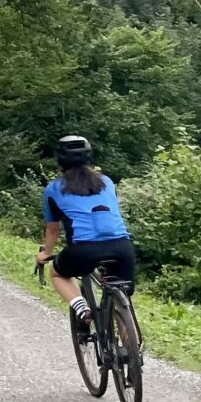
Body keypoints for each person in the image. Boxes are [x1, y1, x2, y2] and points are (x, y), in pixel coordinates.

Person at [35, 135, 136, 336]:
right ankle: (132, 350)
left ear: (59, 160)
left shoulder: (54, 189)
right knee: (122, 298)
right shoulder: (106, 182)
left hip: (83, 250)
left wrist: (45, 253)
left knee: (58, 273)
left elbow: (53, 229)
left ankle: (81, 308)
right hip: (122, 247)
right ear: (89, 157)